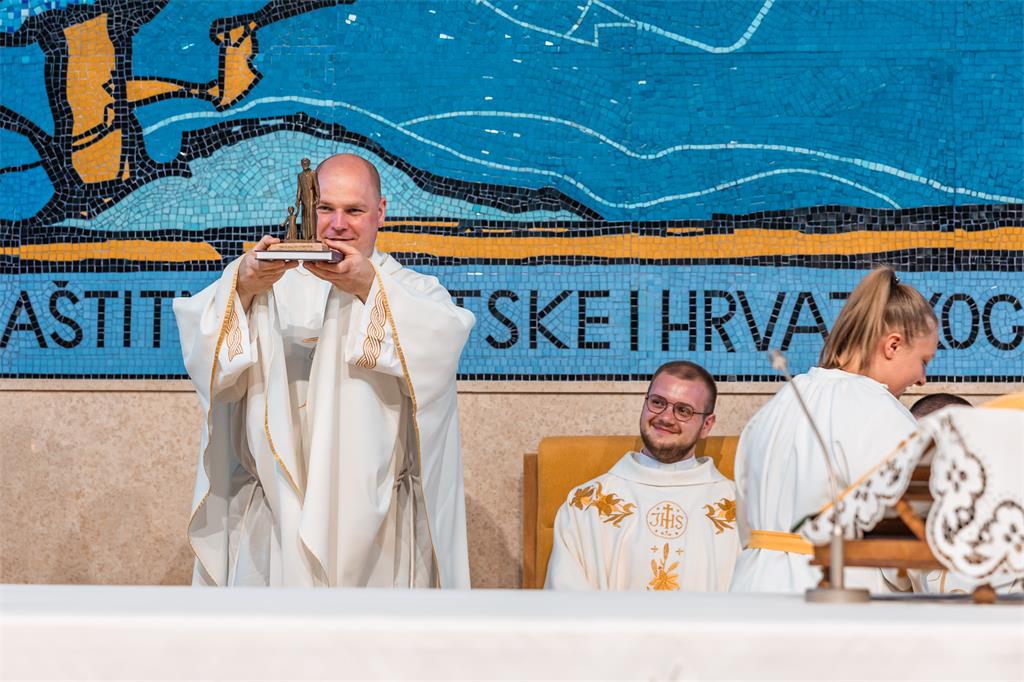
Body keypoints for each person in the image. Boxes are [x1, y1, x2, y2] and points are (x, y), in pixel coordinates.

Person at [173, 153, 475, 587]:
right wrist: (243, 287)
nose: (337, 224)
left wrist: (368, 287)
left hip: (381, 534)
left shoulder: (411, 291)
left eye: (354, 210)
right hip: (274, 525)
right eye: (326, 208)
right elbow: (205, 349)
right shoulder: (268, 284)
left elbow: (444, 337)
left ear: (381, 212)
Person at [730, 266, 939, 594]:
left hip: (753, 588)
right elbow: (905, 541)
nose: (922, 379)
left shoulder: (780, 403)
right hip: (835, 591)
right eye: (923, 361)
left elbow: (744, 514)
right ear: (893, 345)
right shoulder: (884, 414)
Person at [545, 361, 740, 591]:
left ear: (707, 425)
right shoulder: (586, 505)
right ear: (645, 403)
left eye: (683, 410)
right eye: (658, 402)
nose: (666, 417)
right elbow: (567, 602)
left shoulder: (739, 511)